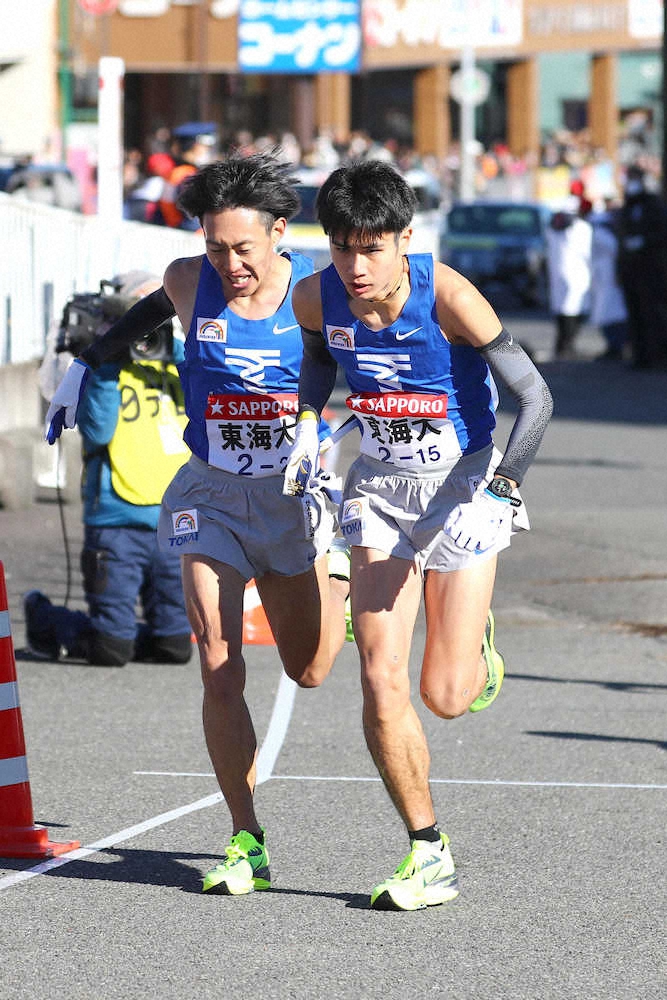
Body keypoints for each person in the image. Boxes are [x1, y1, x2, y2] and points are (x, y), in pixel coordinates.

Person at [44, 153, 352, 894]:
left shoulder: (316, 291)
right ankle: (244, 837)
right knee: (217, 659)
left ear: (279, 232)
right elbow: (133, 324)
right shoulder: (189, 280)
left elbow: (366, 358)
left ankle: (334, 568)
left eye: (243, 248)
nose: (230, 263)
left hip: (289, 496)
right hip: (209, 492)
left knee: (308, 671)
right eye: (216, 246)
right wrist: (84, 367)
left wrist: (326, 429)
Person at [282, 159, 553, 911]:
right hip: (377, 489)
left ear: (405, 238)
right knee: (377, 675)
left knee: (444, 696)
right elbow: (313, 361)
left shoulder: (451, 297)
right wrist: (308, 427)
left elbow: (534, 399)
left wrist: (500, 491)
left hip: (464, 487)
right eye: (342, 247)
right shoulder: (314, 295)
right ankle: (427, 851)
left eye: (372, 248)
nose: (356, 265)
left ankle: (476, 644)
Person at [26, 272, 193, 667]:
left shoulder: (174, 368)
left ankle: (120, 631)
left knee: (175, 647)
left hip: (172, 525)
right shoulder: (106, 374)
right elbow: (98, 432)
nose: (146, 338)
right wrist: (106, 358)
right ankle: (45, 618)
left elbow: (207, 393)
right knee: (110, 651)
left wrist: (178, 345)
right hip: (116, 524)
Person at [615, 164, 667, 369]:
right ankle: (640, 356)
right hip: (631, 271)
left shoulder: (654, 205)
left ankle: (657, 355)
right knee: (635, 313)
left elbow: (660, 233)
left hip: (651, 270)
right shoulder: (627, 206)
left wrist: (643, 241)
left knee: (652, 313)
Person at [545, 197, 592, 359]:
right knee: (572, 310)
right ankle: (567, 346)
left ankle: (562, 345)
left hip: (559, 274)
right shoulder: (581, 228)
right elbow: (588, 252)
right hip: (576, 274)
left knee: (563, 309)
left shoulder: (552, 228)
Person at [589, 206, 628, 362]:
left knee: (612, 314)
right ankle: (614, 346)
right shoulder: (606, 236)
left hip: (609, 280)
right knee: (607, 314)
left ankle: (616, 347)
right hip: (603, 280)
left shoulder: (602, 236)